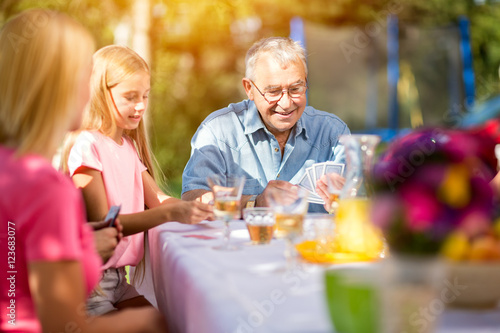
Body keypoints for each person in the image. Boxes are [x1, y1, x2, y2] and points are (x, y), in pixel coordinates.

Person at [0, 9, 165, 333]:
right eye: (84, 77)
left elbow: (13, 278)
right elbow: (61, 325)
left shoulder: (12, 169)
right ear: (57, 88)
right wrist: (150, 322)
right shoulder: (45, 187)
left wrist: (82, 245)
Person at [65, 45, 213, 316]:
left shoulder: (128, 147)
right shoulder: (87, 145)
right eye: (130, 97)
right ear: (101, 93)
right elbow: (104, 225)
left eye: (145, 95)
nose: (141, 105)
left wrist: (196, 207)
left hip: (119, 279)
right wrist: (169, 213)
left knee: (170, 320)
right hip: (89, 284)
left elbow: (156, 198)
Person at [181, 36, 350, 212]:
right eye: (274, 91)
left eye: (295, 89)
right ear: (249, 89)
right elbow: (193, 199)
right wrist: (254, 202)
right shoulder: (218, 131)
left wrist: (347, 202)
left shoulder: (333, 133)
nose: (286, 103)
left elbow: (362, 203)